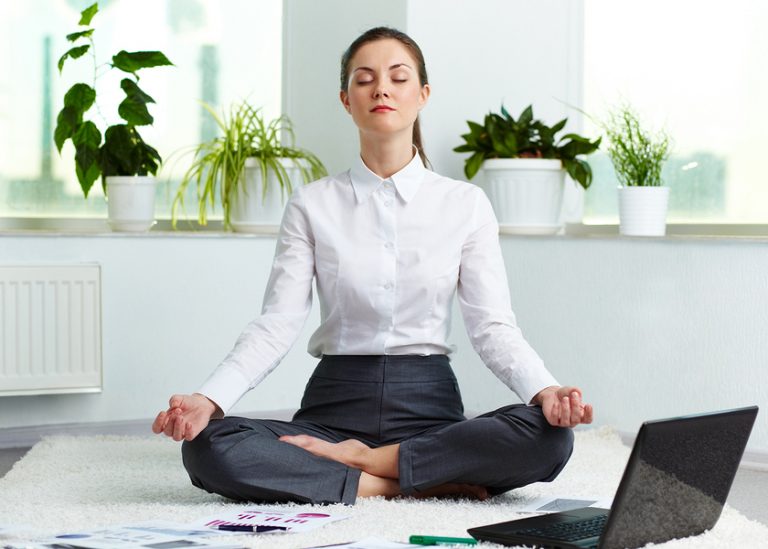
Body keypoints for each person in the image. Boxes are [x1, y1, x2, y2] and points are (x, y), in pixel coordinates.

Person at [152, 27, 593, 505]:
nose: (381, 89)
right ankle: (410, 482)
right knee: (208, 446)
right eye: (364, 79)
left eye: (398, 78)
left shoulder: (466, 204)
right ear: (347, 100)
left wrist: (545, 390)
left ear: (422, 95)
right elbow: (277, 323)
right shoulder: (312, 204)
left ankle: (365, 464)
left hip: (429, 413)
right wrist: (209, 399)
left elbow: (492, 327)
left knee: (549, 437)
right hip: (333, 410)